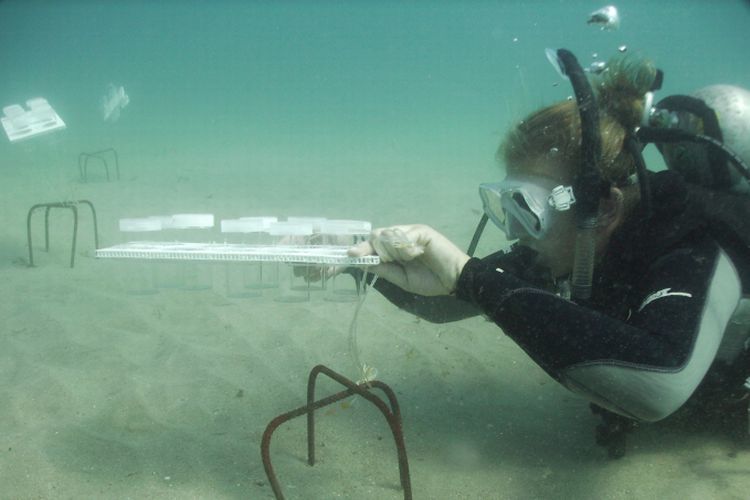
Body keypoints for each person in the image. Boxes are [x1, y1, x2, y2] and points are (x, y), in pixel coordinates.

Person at [348, 51, 750, 457]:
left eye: (530, 206)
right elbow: (439, 298)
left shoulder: (697, 241)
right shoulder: (573, 238)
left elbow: (661, 385)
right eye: (507, 205)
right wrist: (352, 260)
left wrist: (469, 276)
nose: (516, 229)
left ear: (605, 207)